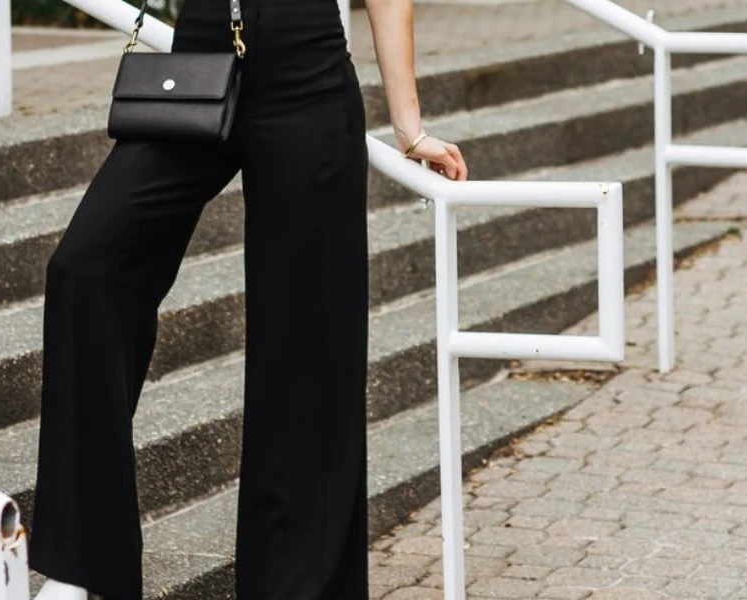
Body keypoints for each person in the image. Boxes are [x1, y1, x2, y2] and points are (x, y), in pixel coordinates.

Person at [26, 0, 468, 596]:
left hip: (306, 71)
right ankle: (82, 563)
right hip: (202, 54)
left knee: (304, 342)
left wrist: (409, 129)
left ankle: (293, 584)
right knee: (87, 268)